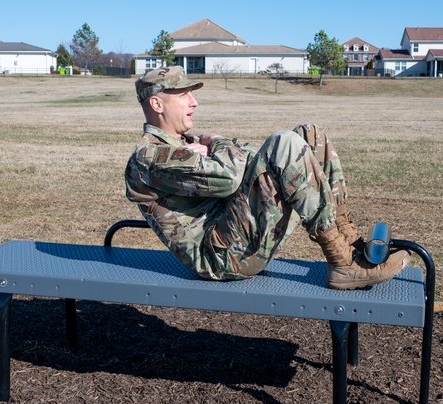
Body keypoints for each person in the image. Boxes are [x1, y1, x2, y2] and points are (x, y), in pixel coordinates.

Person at [124, 65, 408, 290]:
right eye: (183, 94)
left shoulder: (185, 142)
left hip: (237, 235)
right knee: (283, 142)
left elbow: (252, 157)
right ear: (157, 104)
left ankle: (349, 243)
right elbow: (231, 177)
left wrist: (214, 146)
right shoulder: (150, 157)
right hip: (222, 257)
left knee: (310, 135)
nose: (194, 102)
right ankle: (342, 262)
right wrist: (218, 142)